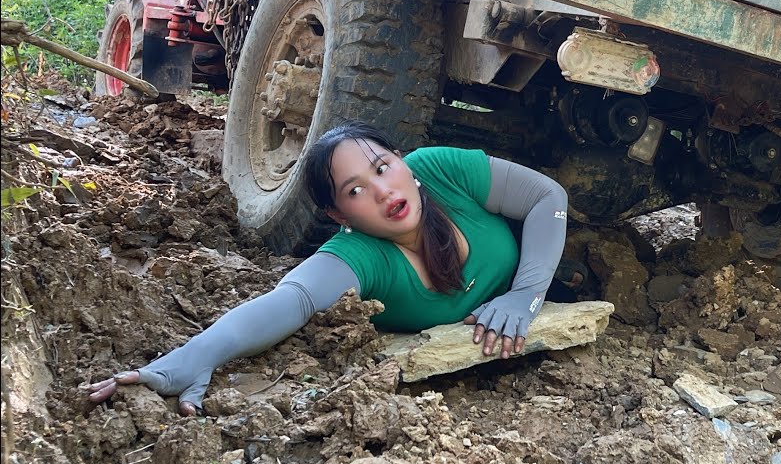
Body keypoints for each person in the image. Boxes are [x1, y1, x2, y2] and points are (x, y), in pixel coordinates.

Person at [85, 122, 571, 416]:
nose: (383, 191)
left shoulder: (440, 169)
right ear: (340, 217)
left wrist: (522, 296)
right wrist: (191, 359)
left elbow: (547, 198)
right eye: (355, 191)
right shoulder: (357, 255)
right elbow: (290, 300)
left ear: (403, 162)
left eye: (382, 168)